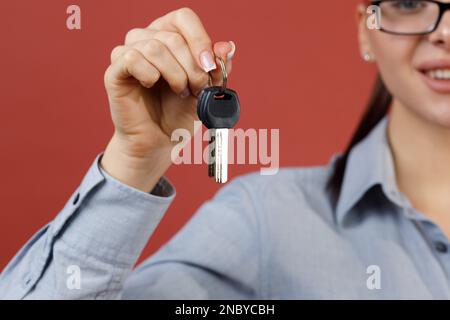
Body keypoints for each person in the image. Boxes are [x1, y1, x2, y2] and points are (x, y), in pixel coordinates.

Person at [2, 1, 450, 299]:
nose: (444, 31)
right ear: (366, 32)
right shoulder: (271, 220)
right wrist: (134, 161)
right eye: (410, 2)